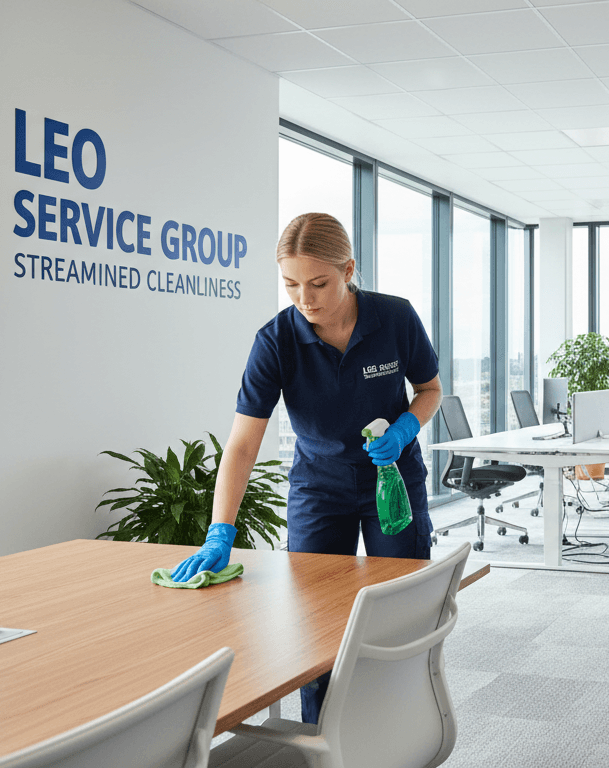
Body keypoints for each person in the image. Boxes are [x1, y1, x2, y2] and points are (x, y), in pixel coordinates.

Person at [168, 212, 442, 722]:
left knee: (401, 608)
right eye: (291, 284)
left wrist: (406, 428)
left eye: (319, 283)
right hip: (320, 486)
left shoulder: (395, 317)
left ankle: (402, 724)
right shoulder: (276, 341)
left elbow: (430, 391)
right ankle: (321, 736)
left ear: (349, 270)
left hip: (392, 482)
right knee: (316, 624)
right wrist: (219, 530)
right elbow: (243, 444)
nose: (305, 299)